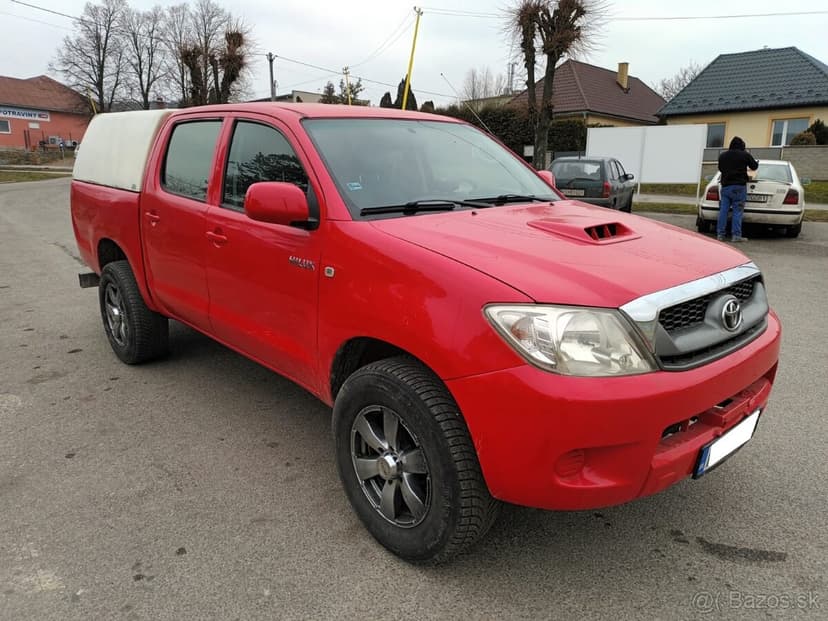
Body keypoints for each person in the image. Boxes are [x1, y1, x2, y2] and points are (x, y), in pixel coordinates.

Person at [717, 136, 759, 242]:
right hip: (739, 188)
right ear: (742, 146)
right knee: (737, 211)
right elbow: (754, 166)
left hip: (726, 187)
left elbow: (721, 169)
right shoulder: (744, 155)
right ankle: (736, 236)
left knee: (723, 211)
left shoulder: (723, 156)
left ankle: (720, 235)